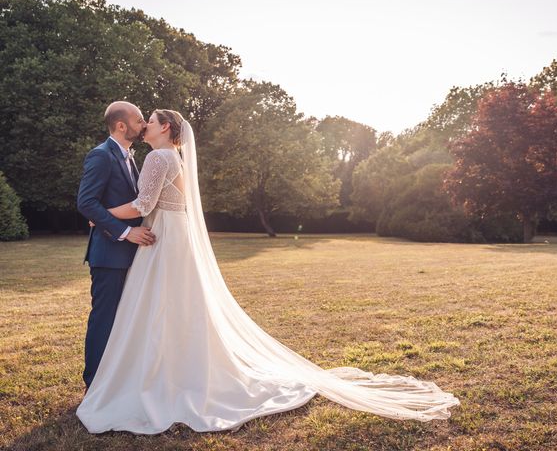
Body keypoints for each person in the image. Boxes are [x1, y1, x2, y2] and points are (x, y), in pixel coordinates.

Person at [76, 109, 460, 434]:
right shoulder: (165, 156)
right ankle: (169, 372)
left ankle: (157, 376)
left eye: (152, 120)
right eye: (142, 119)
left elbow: (143, 202)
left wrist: (101, 218)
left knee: (159, 305)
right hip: (170, 234)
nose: (146, 123)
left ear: (167, 129)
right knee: (171, 306)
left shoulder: (160, 158)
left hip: (162, 235)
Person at [76, 101, 156, 393]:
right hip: (109, 255)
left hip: (130, 255)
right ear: (121, 126)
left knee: (125, 319)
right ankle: (94, 385)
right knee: (104, 318)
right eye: (138, 120)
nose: (143, 124)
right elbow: (86, 202)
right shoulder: (101, 156)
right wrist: (125, 231)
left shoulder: (130, 157)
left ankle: (118, 379)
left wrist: (109, 217)